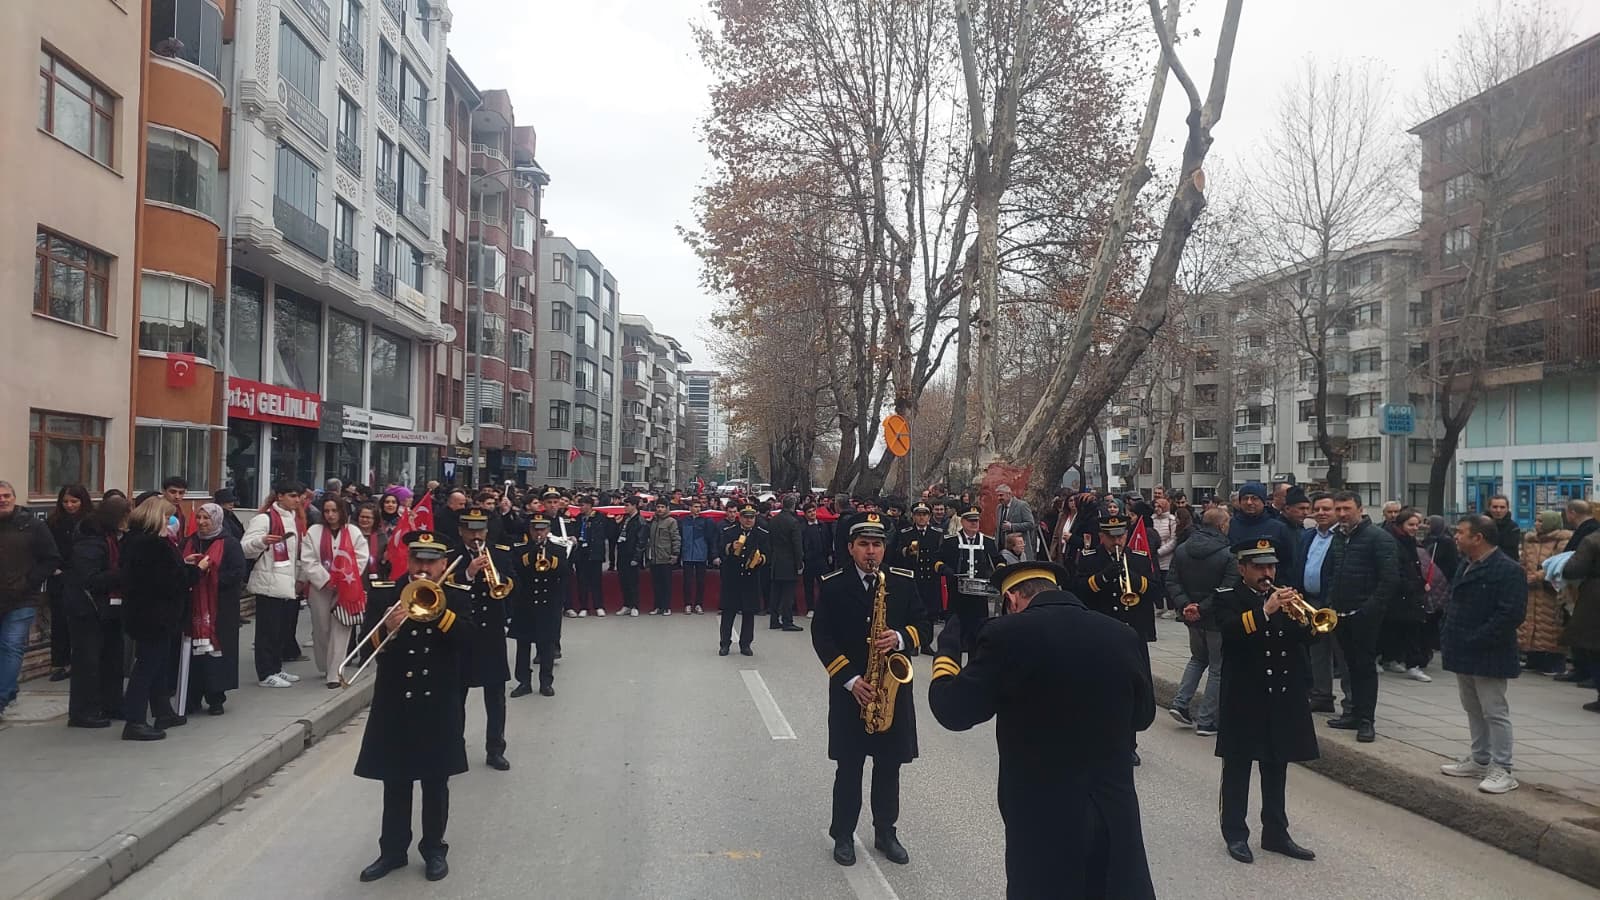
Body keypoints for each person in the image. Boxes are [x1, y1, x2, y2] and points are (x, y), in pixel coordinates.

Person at [928, 560, 1156, 899]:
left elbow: (954, 711)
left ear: (1013, 598)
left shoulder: (1007, 633)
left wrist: (946, 654)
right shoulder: (1122, 634)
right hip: (1112, 812)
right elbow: (1143, 716)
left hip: (1043, 816)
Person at [353, 530, 479, 883]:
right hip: (396, 701)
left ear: (442, 564)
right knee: (395, 780)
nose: (423, 567)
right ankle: (392, 851)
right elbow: (366, 651)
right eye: (417, 560)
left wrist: (438, 612)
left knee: (435, 782)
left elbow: (469, 642)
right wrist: (387, 629)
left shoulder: (455, 596)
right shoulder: (386, 595)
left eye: (430, 561)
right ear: (407, 561)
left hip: (437, 700)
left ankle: (434, 849)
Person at [811, 517, 929, 868]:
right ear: (850, 548)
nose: (871, 551)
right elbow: (822, 637)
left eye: (877, 545)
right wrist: (849, 679)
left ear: (884, 548)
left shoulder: (903, 583)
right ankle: (843, 834)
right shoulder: (833, 586)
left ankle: (885, 832)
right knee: (849, 767)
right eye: (864, 544)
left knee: (889, 765)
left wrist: (901, 637)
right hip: (852, 692)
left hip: (891, 693)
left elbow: (925, 624)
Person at [1211, 539, 1320, 864]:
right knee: (1238, 767)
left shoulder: (1287, 597)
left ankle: (1275, 832)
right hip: (1245, 696)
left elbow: (1308, 637)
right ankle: (1235, 833)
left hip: (1282, 695)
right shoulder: (1227, 598)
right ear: (1242, 568)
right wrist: (1264, 611)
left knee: (1277, 765)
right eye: (1259, 567)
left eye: (1270, 566)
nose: (1267, 573)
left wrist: (1308, 621)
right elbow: (1230, 632)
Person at [1439, 515, 1527, 794]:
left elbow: (1510, 614)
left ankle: (1503, 767)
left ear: (1478, 538)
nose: (1456, 536)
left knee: (1494, 711)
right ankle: (1479, 759)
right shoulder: (1466, 563)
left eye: (1461, 532)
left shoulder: (1508, 569)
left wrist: (1477, 638)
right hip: (1462, 648)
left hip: (1490, 652)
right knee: (1472, 707)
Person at [1075, 515, 1158, 765]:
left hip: (1131, 635)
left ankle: (1128, 744)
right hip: (1099, 636)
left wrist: (1134, 578)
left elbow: (1157, 591)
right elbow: (1077, 589)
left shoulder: (1140, 559)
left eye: (1120, 535)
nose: (1116, 540)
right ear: (1102, 537)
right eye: (1110, 536)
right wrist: (1104, 577)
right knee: (1097, 689)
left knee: (1131, 690)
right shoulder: (1090, 559)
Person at [120, 498, 203, 741]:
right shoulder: (152, 544)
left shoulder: (136, 540)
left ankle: (162, 710)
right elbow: (166, 581)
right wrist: (195, 571)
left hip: (147, 612)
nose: (170, 522)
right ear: (156, 517)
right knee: (147, 666)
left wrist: (181, 564)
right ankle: (134, 720)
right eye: (167, 518)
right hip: (154, 614)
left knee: (159, 664)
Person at [1324, 491, 1399, 743]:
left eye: (1347, 508)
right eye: (1338, 509)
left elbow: (1389, 581)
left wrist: (1367, 611)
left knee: (1365, 668)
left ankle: (1367, 720)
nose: (1342, 514)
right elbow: (1333, 573)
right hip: (1339, 615)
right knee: (1349, 667)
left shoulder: (1379, 538)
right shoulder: (1337, 538)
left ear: (1360, 509)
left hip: (1365, 617)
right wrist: (1331, 604)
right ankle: (1353, 714)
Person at [448, 509, 512, 770]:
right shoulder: (451, 557)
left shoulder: (500, 553)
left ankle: (495, 748)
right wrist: (469, 573)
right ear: (461, 531)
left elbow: (512, 582)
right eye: (470, 530)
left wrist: (502, 581)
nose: (475, 535)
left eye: (480, 530)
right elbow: (444, 589)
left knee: (495, 696)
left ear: (486, 530)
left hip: (491, 633)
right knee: (456, 695)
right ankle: (455, 747)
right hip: (462, 632)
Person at [1168, 507, 1236, 738]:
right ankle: (1207, 721)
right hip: (1215, 618)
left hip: (1191, 618)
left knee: (1197, 658)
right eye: (1227, 522)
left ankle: (1180, 703)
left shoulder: (1182, 549)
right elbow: (1226, 588)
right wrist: (1202, 608)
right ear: (1221, 525)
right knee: (1218, 668)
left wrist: (1187, 605)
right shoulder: (1228, 554)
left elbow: (1173, 581)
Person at [63, 495, 127, 728]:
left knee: (112, 656)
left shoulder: (109, 536)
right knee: (87, 661)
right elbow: (89, 578)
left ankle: (111, 703)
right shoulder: (91, 539)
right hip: (87, 608)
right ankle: (83, 711)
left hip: (106, 608)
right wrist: (123, 573)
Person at [0, 480, 62, 716]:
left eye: (7, 495)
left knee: (11, 646)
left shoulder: (32, 526)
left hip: (22, 598)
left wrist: (29, 582)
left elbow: (51, 558)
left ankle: (1, 698)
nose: (2, 500)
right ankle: (9, 688)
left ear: (14, 498)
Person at [241, 481, 306, 689]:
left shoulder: (295, 519)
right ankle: (265, 672)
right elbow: (244, 547)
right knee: (267, 630)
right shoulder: (264, 518)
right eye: (293, 495)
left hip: (286, 581)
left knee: (280, 629)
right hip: (268, 581)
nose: (297, 500)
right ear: (280, 496)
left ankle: (276, 667)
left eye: (299, 496)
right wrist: (262, 541)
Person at [183, 503, 246, 715]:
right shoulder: (190, 542)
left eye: (206, 518)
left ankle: (216, 697)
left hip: (220, 609)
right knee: (193, 654)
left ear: (216, 520)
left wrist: (211, 576)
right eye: (199, 518)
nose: (201, 523)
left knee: (216, 653)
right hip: (193, 607)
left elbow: (238, 572)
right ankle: (191, 695)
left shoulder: (229, 544)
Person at [300, 496, 370, 689]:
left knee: (341, 628)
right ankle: (324, 663)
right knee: (322, 628)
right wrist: (325, 579)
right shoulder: (314, 532)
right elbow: (308, 560)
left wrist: (344, 577)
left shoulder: (353, 532)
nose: (330, 515)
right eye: (327, 511)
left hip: (347, 587)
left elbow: (361, 557)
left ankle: (334, 672)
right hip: (320, 588)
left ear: (341, 511)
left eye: (334, 511)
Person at [510, 515, 568, 697]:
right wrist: (532, 555)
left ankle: (546, 682)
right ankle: (523, 682)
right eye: (535, 529)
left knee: (547, 646)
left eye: (542, 529)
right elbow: (516, 568)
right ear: (530, 530)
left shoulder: (558, 549)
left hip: (548, 603)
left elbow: (564, 571)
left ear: (548, 530)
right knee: (523, 645)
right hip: (526, 603)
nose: (539, 533)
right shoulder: (520, 549)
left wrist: (548, 559)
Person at [936, 509, 1001, 666]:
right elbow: (937, 561)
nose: (974, 524)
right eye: (970, 521)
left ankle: (974, 667)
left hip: (979, 596)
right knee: (955, 633)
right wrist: (945, 569)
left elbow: (999, 560)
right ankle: (953, 666)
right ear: (962, 522)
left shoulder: (987, 541)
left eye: (976, 521)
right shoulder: (951, 541)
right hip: (957, 595)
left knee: (978, 633)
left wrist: (997, 571)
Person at [1379, 508, 1434, 682]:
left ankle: (1402, 660)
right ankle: (1397, 660)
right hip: (1401, 592)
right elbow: (1397, 569)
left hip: (1411, 591)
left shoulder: (1409, 541)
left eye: (1417, 524)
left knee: (1409, 628)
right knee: (1397, 628)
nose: (1415, 528)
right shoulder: (1393, 542)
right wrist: (1413, 585)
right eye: (1411, 524)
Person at [46, 484, 92, 682]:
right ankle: (62, 662)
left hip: (81, 578)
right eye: (65, 502)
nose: (69, 505)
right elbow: (47, 548)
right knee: (60, 622)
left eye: (74, 501)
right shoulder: (54, 521)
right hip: (59, 576)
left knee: (80, 623)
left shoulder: (89, 521)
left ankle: (79, 661)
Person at [1300, 493, 1341, 714]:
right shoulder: (1308, 536)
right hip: (1310, 602)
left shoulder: (1342, 538)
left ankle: (1351, 704)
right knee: (1317, 652)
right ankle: (1322, 696)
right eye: (1318, 509)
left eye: (1327, 509)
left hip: (1332, 603)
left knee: (1341, 655)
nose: (1321, 513)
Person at [719, 505, 768, 656]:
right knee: (728, 612)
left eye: (751, 517)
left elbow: (768, 554)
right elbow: (720, 550)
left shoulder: (762, 534)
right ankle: (725, 644)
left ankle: (745, 644)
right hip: (732, 578)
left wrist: (760, 560)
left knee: (748, 613)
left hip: (750, 578)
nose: (748, 520)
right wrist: (730, 548)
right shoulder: (730, 532)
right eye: (745, 517)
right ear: (740, 517)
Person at [895, 503, 944, 625]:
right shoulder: (905, 533)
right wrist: (908, 550)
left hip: (931, 578)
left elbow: (942, 553)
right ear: (913, 516)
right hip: (914, 576)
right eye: (918, 515)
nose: (921, 518)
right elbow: (897, 553)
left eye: (924, 514)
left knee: (930, 615)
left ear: (929, 517)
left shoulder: (937, 533)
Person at [766, 496, 805, 632]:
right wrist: (799, 563)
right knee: (788, 594)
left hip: (776, 560)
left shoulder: (774, 520)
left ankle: (774, 620)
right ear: (793, 506)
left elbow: (769, 541)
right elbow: (797, 545)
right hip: (789, 562)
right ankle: (787, 621)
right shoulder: (793, 522)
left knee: (775, 593)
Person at [571, 496, 608, 617]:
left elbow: (607, 533)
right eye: (579, 505)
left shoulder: (600, 517)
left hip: (595, 553)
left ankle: (599, 606)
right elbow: (574, 532)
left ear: (589, 505)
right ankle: (583, 607)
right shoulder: (578, 518)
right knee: (582, 582)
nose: (580, 508)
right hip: (581, 554)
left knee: (596, 581)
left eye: (582, 505)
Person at [644, 500, 682, 615]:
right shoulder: (653, 521)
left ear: (667, 508)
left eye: (662, 507)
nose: (660, 509)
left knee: (666, 584)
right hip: (654, 557)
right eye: (658, 507)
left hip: (666, 557)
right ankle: (657, 606)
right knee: (656, 585)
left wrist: (675, 554)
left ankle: (666, 607)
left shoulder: (671, 521)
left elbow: (676, 538)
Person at [679, 497, 716, 614]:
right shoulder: (683, 521)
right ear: (690, 508)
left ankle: (699, 604)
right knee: (687, 581)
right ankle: (688, 604)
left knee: (701, 581)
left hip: (701, 554)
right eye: (695, 507)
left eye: (699, 507)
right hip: (687, 555)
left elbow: (711, 539)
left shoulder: (706, 521)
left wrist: (711, 555)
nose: (698, 509)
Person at [612, 497, 647, 616]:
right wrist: (616, 524)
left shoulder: (640, 521)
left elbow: (641, 542)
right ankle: (626, 604)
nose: (625, 507)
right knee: (624, 581)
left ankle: (635, 606)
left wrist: (636, 558)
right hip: (622, 554)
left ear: (634, 506)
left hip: (632, 555)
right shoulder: (625, 519)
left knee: (633, 582)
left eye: (627, 505)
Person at [801, 504, 834, 619]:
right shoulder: (802, 528)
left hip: (822, 559)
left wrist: (829, 554)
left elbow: (828, 540)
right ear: (805, 514)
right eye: (809, 512)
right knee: (808, 585)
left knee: (824, 584)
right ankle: (811, 608)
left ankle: (825, 607)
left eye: (813, 511)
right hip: (808, 561)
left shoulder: (823, 525)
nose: (812, 514)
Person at [1150, 495, 1178, 619]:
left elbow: (1173, 539)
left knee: (1167, 584)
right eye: (1155, 506)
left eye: (1159, 506)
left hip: (1167, 557)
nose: (1157, 509)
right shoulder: (1152, 519)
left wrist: (1160, 551)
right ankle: (1159, 607)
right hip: (1154, 557)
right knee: (1157, 583)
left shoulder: (1171, 520)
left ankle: (1171, 608)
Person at [993, 484, 1038, 560]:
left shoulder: (1022, 505)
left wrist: (1012, 526)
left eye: (1001, 495)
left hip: (1019, 552)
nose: (999, 498)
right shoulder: (999, 508)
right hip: (1002, 551)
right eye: (997, 496)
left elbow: (1030, 524)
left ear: (1009, 494)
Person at [1487, 495, 1522, 561]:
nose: (1498, 510)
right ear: (1489, 508)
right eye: (1495, 507)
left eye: (1502, 507)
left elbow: (1510, 551)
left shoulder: (1513, 527)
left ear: (1507, 509)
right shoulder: (1480, 525)